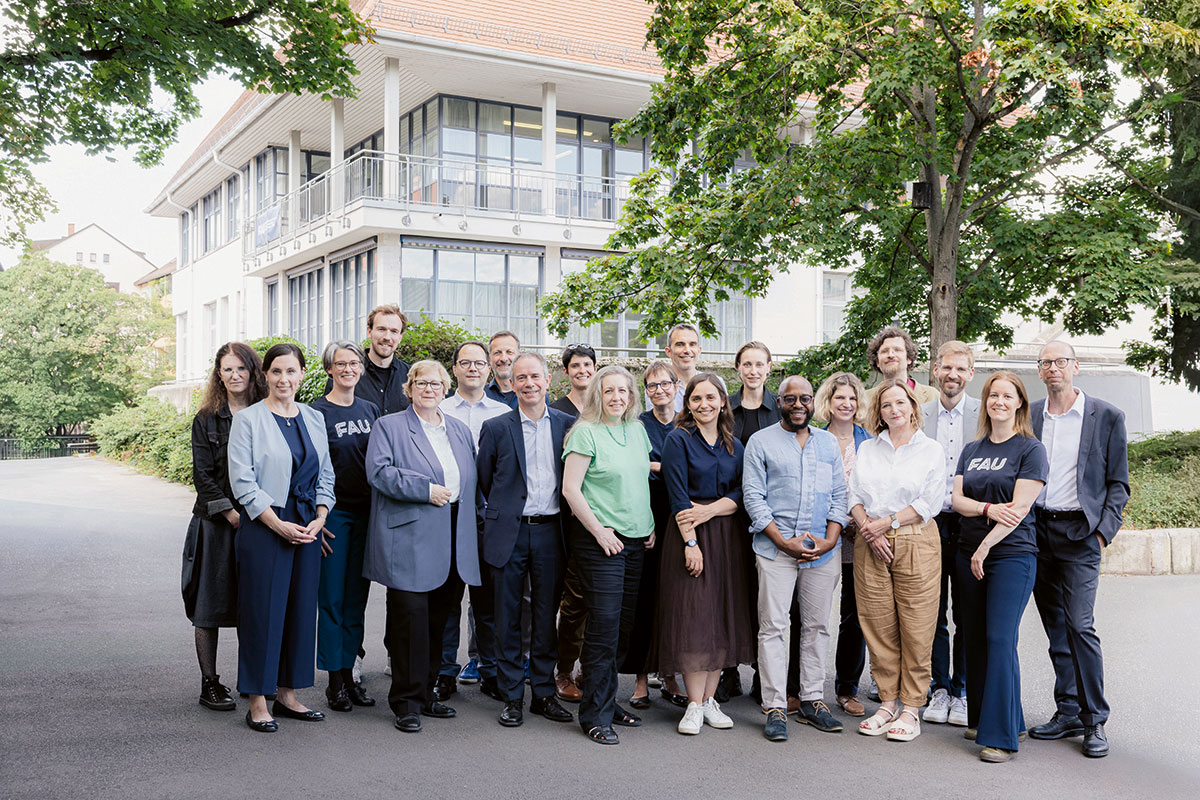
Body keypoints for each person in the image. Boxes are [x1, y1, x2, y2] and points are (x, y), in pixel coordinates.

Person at [364, 360, 481, 734]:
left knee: (438, 622)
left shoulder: (459, 430)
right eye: (421, 382)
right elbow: (379, 472)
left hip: (453, 537)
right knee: (409, 621)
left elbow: (471, 479)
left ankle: (428, 693)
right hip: (411, 537)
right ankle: (406, 701)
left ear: (446, 388)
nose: (429, 389)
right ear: (409, 387)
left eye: (436, 383)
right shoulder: (390, 426)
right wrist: (424, 489)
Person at [1028, 340, 1129, 759]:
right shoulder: (1029, 414)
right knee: (1055, 628)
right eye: (1046, 362)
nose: (1054, 368)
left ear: (1075, 366)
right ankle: (1067, 709)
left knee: (1080, 626)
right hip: (1036, 531)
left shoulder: (1106, 416)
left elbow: (1118, 483)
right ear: (1040, 370)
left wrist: (1102, 533)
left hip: (1079, 534)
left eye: (1061, 361)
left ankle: (1094, 721)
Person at [228, 343, 336, 733]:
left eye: (291, 371)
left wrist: (321, 516)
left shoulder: (313, 418)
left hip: (307, 525)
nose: (283, 379)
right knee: (262, 612)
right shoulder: (249, 420)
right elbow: (242, 481)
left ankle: (288, 694)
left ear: (303, 374)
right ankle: (258, 698)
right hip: (265, 525)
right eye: (276, 372)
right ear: (266, 376)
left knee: (300, 610)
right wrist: (277, 524)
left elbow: (326, 474)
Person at [743, 376, 847, 742]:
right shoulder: (761, 442)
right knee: (773, 627)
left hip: (822, 550)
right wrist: (783, 542)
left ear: (813, 403)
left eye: (805, 398)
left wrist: (830, 539)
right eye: (791, 399)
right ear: (780, 402)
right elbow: (754, 498)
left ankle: (813, 700)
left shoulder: (828, 443)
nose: (799, 404)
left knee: (818, 626)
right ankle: (774, 706)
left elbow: (839, 495)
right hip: (775, 550)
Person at [952, 371, 1048, 762]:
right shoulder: (971, 449)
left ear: (1020, 403)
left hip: (1011, 555)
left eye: (1008, 396)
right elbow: (957, 499)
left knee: (999, 638)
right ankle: (992, 717)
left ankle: (1001, 737)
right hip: (967, 550)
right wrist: (987, 509)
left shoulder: (1030, 449)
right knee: (972, 635)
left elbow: (1021, 509)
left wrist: (985, 546)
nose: (999, 402)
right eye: (993, 395)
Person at [477, 352, 576, 728]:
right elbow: (487, 479)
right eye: (521, 378)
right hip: (509, 532)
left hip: (552, 531)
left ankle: (544, 694)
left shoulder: (568, 424)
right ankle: (512, 696)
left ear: (548, 380)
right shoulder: (496, 427)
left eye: (535, 376)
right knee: (507, 616)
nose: (529, 383)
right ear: (512, 383)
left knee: (545, 615)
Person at [653, 373, 756, 735]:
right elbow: (678, 495)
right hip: (689, 536)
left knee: (720, 617)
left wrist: (711, 511)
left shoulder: (734, 445)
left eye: (711, 398)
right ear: (688, 403)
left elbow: (744, 493)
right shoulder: (677, 440)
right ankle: (693, 704)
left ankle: (711, 700)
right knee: (694, 618)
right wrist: (691, 542)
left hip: (728, 539)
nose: (704, 405)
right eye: (697, 399)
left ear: (723, 402)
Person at [561, 365, 655, 745]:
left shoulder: (636, 430)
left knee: (622, 630)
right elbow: (571, 490)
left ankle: (607, 701)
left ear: (632, 396)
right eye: (609, 391)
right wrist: (599, 531)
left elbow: (638, 477)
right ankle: (594, 717)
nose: (617, 397)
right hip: (601, 542)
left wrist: (647, 524)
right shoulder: (585, 432)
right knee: (602, 629)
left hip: (635, 541)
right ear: (598, 394)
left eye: (623, 391)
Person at [848, 379, 945, 742]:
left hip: (914, 541)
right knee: (878, 625)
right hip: (869, 542)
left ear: (913, 406)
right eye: (886, 405)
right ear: (879, 411)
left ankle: (911, 708)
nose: (894, 410)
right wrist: (869, 530)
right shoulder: (869, 449)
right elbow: (853, 496)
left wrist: (884, 524)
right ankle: (887, 703)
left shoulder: (931, 450)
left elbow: (928, 503)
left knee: (917, 627)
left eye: (900, 403)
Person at [183, 341, 266, 712]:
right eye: (227, 369)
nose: (234, 376)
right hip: (217, 523)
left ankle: (253, 682)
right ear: (219, 374)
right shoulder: (206, 419)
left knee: (256, 605)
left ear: (253, 372)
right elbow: (203, 476)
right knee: (209, 605)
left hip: (262, 520)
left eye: (241, 369)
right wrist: (233, 514)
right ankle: (210, 683)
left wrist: (260, 515)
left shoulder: (268, 414)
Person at [310, 340, 379, 712]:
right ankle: (334, 681)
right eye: (341, 364)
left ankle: (351, 676)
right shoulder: (316, 413)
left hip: (367, 514)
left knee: (357, 600)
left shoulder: (370, 409)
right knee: (332, 599)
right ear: (329, 369)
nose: (349, 369)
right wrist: (317, 520)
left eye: (354, 363)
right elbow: (308, 469)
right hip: (334, 516)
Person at [437, 341, 509, 700]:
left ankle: (490, 671)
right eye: (465, 362)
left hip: (489, 518)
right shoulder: (438, 408)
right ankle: (445, 672)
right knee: (448, 600)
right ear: (454, 369)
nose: (473, 369)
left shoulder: (501, 412)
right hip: (449, 516)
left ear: (489, 369)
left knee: (488, 602)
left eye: (479, 363)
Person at [919, 340, 979, 727]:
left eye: (960, 369)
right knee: (933, 610)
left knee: (969, 611)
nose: (953, 375)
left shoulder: (984, 411)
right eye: (946, 368)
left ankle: (962, 690)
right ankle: (939, 688)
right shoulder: (920, 413)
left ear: (970, 373)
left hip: (972, 521)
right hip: (930, 521)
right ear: (935, 370)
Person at [718, 341, 781, 704]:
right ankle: (728, 672)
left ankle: (763, 673)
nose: (753, 370)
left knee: (766, 600)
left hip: (771, 519)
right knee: (731, 594)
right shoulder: (727, 408)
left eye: (760, 364)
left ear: (769, 367)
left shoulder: (780, 409)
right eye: (747, 364)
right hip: (731, 514)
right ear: (738, 368)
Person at [624, 361, 686, 709]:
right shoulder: (637, 426)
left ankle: (672, 674)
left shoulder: (687, 422)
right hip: (646, 516)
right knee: (644, 598)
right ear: (645, 391)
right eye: (652, 386)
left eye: (665, 384)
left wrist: (656, 466)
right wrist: (666, 467)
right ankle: (640, 679)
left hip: (680, 516)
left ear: (677, 386)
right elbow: (632, 468)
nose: (659, 390)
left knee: (674, 599)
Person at [813, 371, 873, 718]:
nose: (846, 404)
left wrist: (857, 522)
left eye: (852, 398)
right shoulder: (814, 439)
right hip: (821, 536)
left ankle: (846, 688)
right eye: (839, 398)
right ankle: (805, 686)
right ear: (828, 402)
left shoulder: (870, 441)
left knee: (854, 616)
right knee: (813, 614)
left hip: (858, 538)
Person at [325, 304, 410, 414]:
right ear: (369, 332)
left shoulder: (410, 376)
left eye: (394, 331)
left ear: (400, 337)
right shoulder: (346, 374)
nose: (387, 337)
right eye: (381, 329)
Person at [864, 325, 939, 407]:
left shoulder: (933, 396)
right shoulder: (864, 400)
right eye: (884, 351)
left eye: (897, 350)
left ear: (909, 358)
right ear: (877, 361)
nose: (891, 355)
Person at [661, 323, 725, 413]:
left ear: (699, 350)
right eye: (680, 344)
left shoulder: (716, 383)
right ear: (668, 351)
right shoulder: (659, 387)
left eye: (692, 344)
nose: (687, 350)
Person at [550, 343, 597, 417]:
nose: (582, 371)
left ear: (595, 369)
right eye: (575, 366)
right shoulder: (555, 412)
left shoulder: (605, 407)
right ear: (566, 371)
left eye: (587, 364)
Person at [484, 331, 521, 408]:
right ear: (489, 358)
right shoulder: (481, 396)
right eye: (497, 352)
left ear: (519, 356)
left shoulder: (534, 395)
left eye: (509, 352)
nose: (503, 359)